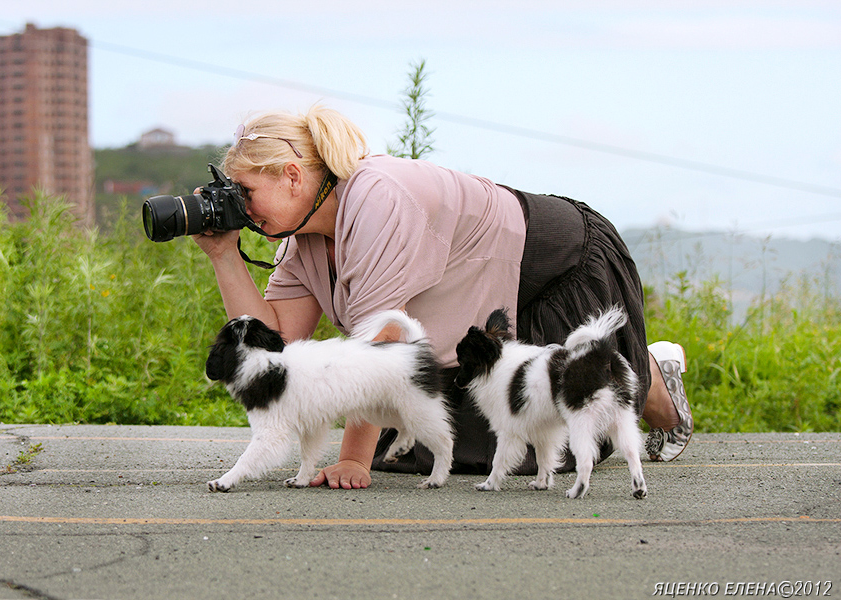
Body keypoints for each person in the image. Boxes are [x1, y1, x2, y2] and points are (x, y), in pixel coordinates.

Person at [193, 105, 693, 490]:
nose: (240, 208)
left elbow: (386, 342)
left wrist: (351, 459)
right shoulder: (302, 237)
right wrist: (223, 254)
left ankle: (644, 374)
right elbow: (272, 344)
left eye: (244, 192)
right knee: (426, 449)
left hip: (553, 266)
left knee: (547, 436)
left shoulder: (375, 196)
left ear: (292, 175)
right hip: (478, 308)